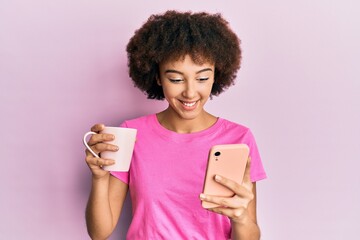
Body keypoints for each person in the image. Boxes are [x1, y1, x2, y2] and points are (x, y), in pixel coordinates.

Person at [84, 10, 267, 240]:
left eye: (202, 78)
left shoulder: (238, 138)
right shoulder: (131, 133)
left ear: (215, 75)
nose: (190, 92)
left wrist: (240, 218)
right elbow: (99, 233)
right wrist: (99, 178)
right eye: (176, 79)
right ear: (158, 77)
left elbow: (250, 235)